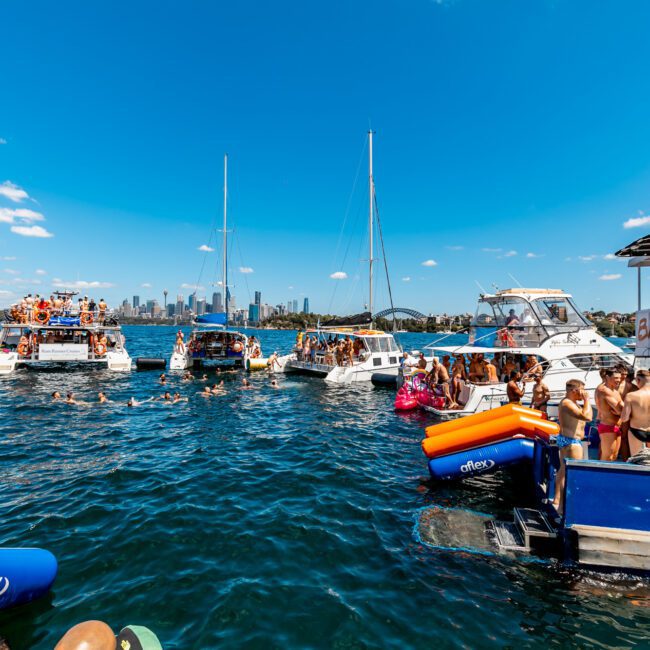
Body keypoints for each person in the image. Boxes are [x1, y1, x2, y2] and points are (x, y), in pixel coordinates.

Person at [552, 380, 592, 514]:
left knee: (562, 471)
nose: (584, 393)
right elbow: (587, 417)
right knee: (570, 474)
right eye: (582, 390)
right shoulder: (567, 403)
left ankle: (557, 500)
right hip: (572, 442)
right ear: (574, 391)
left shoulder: (570, 403)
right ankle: (563, 507)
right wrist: (587, 400)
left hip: (567, 440)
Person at [620, 369, 650, 457]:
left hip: (637, 431)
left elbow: (624, 418)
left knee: (636, 460)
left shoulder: (631, 396)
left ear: (638, 380)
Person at [595, 368, 623, 461]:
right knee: (607, 458)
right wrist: (620, 411)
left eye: (619, 378)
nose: (618, 380)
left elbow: (622, 409)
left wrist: (621, 410)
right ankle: (600, 475)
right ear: (607, 377)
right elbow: (620, 409)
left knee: (614, 456)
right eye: (615, 378)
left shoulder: (615, 391)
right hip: (607, 427)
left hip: (616, 427)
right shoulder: (604, 390)